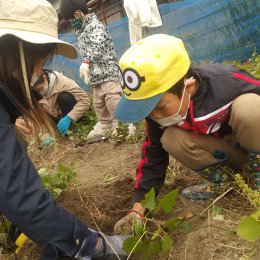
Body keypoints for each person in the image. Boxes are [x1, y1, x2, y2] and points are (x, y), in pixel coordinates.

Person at [0, 0, 128, 259]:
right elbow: (18, 192)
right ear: (23, 53)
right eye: (42, 59)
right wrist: (91, 244)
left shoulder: (59, 83)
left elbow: (10, 187)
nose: (39, 70)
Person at [113, 34, 260, 234]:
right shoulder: (157, 117)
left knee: (251, 108)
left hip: (251, 144)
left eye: (161, 107)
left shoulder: (226, 82)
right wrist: (138, 209)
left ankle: (256, 175)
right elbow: (152, 158)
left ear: (188, 87)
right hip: (227, 154)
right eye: (148, 111)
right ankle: (225, 181)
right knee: (171, 139)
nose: (155, 116)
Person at [60, 0, 125, 143]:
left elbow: (98, 45)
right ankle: (106, 124)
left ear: (78, 14)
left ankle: (123, 124)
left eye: (71, 20)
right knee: (98, 102)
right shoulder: (82, 29)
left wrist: (86, 62)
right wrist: (89, 71)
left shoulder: (94, 26)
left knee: (112, 98)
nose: (72, 23)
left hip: (107, 71)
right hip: (95, 74)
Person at [16, 69, 90, 137]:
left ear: (45, 78)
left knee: (64, 97)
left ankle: (76, 127)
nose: (40, 92)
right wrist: (43, 134)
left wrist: (69, 117)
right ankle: (56, 133)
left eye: (40, 89)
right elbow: (32, 116)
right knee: (36, 108)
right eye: (37, 91)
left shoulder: (62, 82)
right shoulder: (31, 93)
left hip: (69, 114)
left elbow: (85, 100)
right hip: (53, 119)